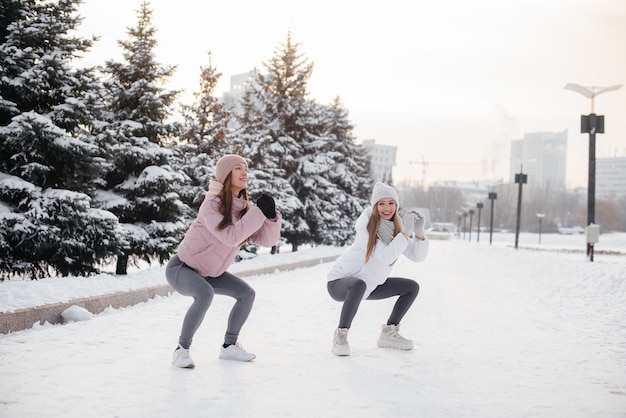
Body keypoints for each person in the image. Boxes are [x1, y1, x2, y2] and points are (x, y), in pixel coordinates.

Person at [166, 154, 282, 368]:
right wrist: (257, 213)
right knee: (205, 294)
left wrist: (271, 216)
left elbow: (265, 240)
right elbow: (231, 236)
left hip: (211, 273)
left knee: (246, 294)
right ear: (226, 174)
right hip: (182, 268)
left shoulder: (243, 209)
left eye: (246, 167)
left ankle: (229, 346)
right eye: (238, 168)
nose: (244, 172)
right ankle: (181, 350)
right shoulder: (211, 205)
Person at [326, 182, 429, 356]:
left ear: (396, 205)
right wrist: (405, 233)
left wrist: (418, 234)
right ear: (375, 206)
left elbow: (417, 256)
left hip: (370, 285)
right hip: (340, 283)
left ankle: (389, 333)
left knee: (411, 287)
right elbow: (385, 256)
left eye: (391, 203)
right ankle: (341, 336)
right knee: (358, 285)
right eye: (381, 203)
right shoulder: (366, 229)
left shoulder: (395, 229)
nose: (386, 208)